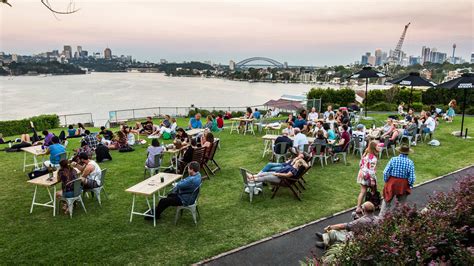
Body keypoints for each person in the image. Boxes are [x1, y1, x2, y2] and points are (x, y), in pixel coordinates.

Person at [379, 144, 415, 217]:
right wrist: (410, 185)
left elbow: (385, 172)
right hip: (403, 183)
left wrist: (387, 181)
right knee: (401, 203)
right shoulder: (410, 162)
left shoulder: (393, 159)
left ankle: (381, 218)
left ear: (399, 152)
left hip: (392, 182)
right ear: (408, 153)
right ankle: (398, 219)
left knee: (386, 201)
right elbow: (411, 177)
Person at [356, 141, 378, 213]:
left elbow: (360, 164)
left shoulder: (365, 154)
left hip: (362, 173)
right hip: (368, 175)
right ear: (374, 147)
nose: (380, 147)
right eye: (378, 146)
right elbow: (371, 170)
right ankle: (373, 204)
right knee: (373, 190)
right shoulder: (373, 158)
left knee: (363, 191)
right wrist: (372, 179)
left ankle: (358, 207)